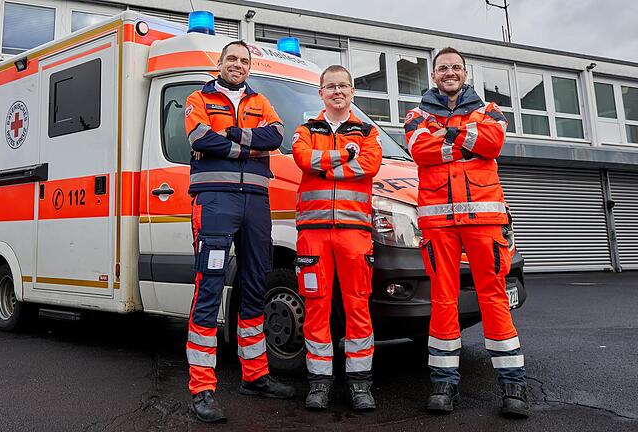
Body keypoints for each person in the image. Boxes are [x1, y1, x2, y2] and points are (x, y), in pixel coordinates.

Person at [404, 47, 529, 418]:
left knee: (493, 298)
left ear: (465, 72)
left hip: (485, 223)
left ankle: (514, 386)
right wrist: (465, 140)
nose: (449, 72)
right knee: (442, 300)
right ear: (433, 75)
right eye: (443, 68)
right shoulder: (416, 115)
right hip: (439, 224)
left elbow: (492, 143)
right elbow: (420, 150)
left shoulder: (490, 110)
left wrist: (447, 133)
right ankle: (443, 383)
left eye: (455, 67)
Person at [183, 40, 294, 423]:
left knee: (254, 284)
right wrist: (248, 146)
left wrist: (232, 138)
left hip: (256, 203)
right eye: (232, 58)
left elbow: (277, 136)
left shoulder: (261, 101)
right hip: (215, 201)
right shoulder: (198, 97)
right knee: (209, 285)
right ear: (220, 63)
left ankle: (255, 374)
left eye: (245, 61)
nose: (238, 65)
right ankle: (202, 388)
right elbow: (199, 138)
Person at [291, 65, 383, 411]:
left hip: (354, 234)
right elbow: (303, 158)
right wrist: (346, 155)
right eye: (330, 86)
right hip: (313, 236)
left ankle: (361, 385)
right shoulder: (305, 129)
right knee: (316, 308)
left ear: (352, 92)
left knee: (358, 306)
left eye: (343, 86)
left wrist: (325, 165)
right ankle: (319, 384)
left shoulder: (367, 131)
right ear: (321, 93)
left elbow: (370, 165)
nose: (337, 92)